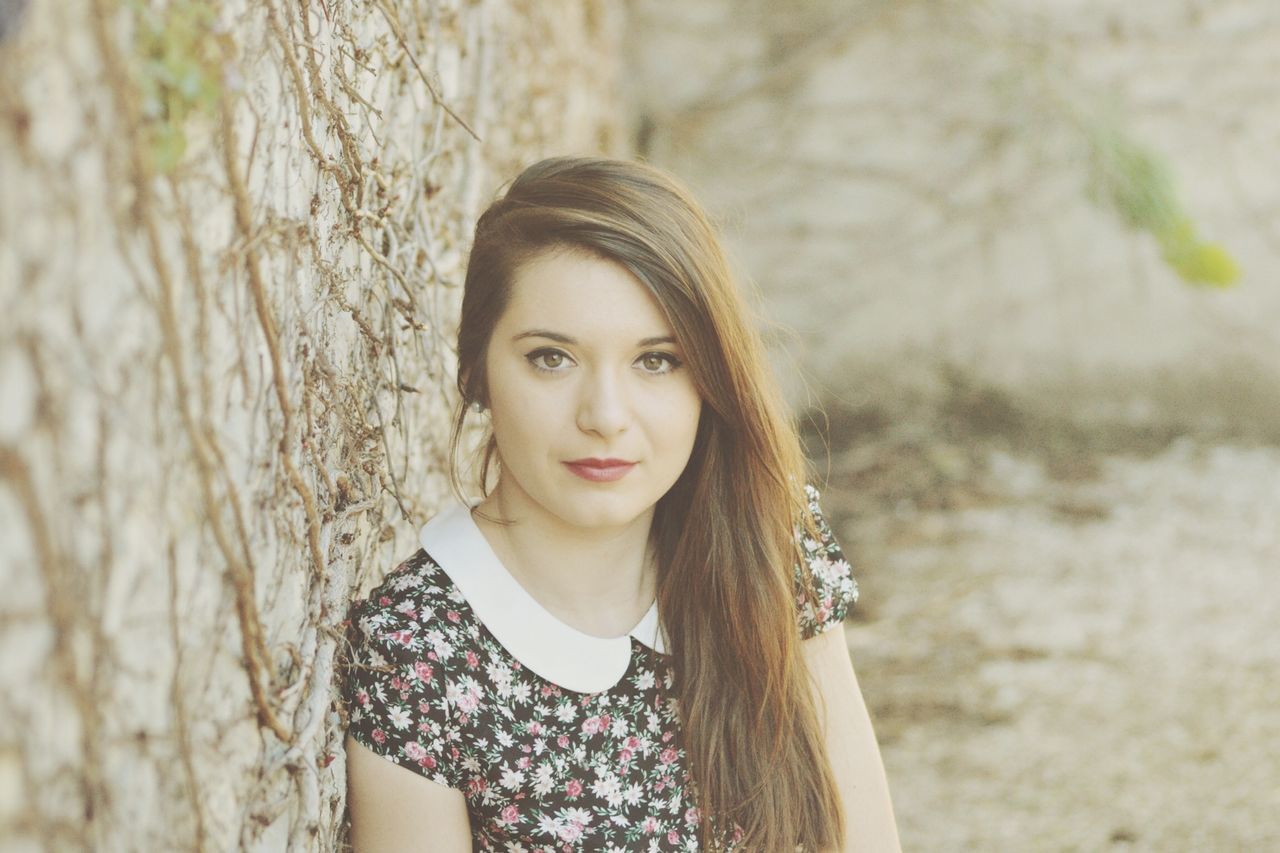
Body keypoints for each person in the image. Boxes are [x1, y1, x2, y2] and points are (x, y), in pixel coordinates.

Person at [340, 156, 900, 852]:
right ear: (477, 371)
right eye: (552, 357)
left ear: (710, 378)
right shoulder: (416, 644)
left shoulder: (769, 540)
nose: (605, 415)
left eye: (655, 360)